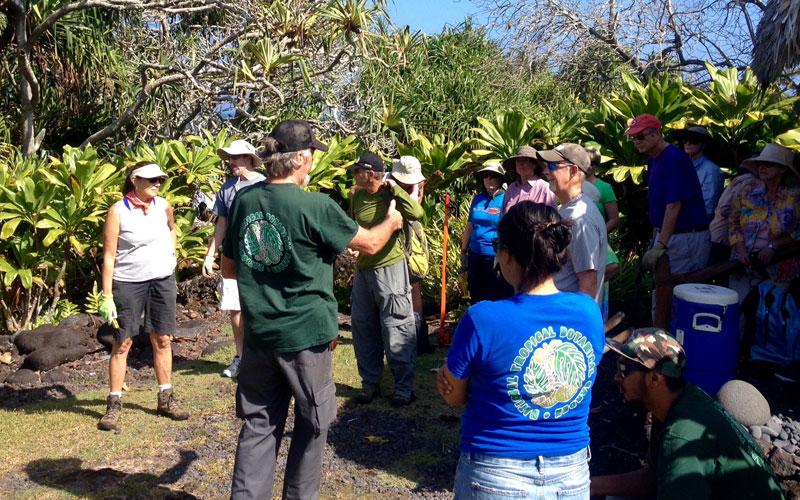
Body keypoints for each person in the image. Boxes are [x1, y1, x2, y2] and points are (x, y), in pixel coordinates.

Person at [221, 120, 404, 499]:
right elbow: (368, 244)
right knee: (314, 421)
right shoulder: (316, 205)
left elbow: (229, 268)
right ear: (301, 159)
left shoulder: (244, 201)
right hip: (305, 336)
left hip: (259, 335)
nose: (312, 164)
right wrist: (392, 220)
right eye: (312, 157)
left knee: (259, 424)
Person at [438, 201, 605, 499]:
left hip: (495, 471)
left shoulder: (483, 319)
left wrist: (453, 381)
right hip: (570, 473)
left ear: (507, 256)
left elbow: (454, 395)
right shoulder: (588, 312)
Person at [591, 329, 784, 500]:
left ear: (654, 378)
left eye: (624, 370)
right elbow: (654, 478)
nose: (616, 377)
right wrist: (592, 486)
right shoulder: (679, 401)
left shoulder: (682, 435)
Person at [97, 162, 189, 431]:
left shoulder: (163, 205)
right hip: (128, 284)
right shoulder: (118, 211)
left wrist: (171, 255)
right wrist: (107, 296)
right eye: (151, 179)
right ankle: (114, 404)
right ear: (134, 180)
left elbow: (172, 228)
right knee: (122, 342)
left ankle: (166, 398)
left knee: (162, 338)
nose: (157, 183)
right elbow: (109, 256)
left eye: (160, 179)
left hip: (161, 281)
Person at [348, 152, 424, 407]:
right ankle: (370, 383)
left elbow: (416, 213)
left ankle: (404, 387)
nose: (354, 175)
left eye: (357, 171)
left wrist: (397, 190)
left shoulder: (389, 193)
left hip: (390, 268)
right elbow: (353, 224)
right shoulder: (357, 196)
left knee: (396, 326)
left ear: (371, 173)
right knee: (363, 325)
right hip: (364, 269)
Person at [202, 139, 266, 379]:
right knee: (235, 309)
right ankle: (241, 357)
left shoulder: (265, 184)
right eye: (229, 157)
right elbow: (222, 223)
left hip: (261, 258)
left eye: (236, 157)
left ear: (249, 159)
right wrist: (211, 255)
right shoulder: (227, 189)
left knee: (261, 307)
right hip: (232, 258)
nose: (231, 162)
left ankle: (262, 358)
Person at [627, 114, 710, 275]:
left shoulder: (674, 159)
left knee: (677, 291)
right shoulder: (654, 160)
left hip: (685, 236)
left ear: (656, 134)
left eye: (640, 136)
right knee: (662, 292)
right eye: (633, 137)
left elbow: (674, 205)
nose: (637, 141)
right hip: (669, 235)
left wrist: (661, 245)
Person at [538, 143, 608, 304]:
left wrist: (578, 326)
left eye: (552, 165)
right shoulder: (568, 209)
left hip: (567, 321)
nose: (545, 171)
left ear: (573, 171)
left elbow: (588, 285)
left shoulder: (580, 219)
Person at [729, 143, 799, 303]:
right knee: (737, 312)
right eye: (760, 164)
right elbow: (733, 223)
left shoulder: (794, 198)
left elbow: (798, 232)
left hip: (779, 267)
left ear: (782, 169)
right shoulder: (746, 190)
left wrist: (774, 246)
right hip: (742, 263)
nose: (762, 168)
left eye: (769, 164)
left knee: (770, 315)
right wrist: (740, 249)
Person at [389, 155, 432, 354]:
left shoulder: (415, 185)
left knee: (414, 284)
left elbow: (416, 209)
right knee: (395, 289)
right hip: (392, 238)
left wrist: (416, 188)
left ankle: (418, 335)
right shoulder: (386, 186)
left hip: (411, 237)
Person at [460, 161, 514, 303]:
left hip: (495, 256)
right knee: (476, 293)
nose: (489, 179)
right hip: (474, 254)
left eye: (493, 176)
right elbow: (470, 226)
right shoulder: (477, 199)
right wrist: (463, 251)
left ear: (500, 179)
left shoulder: (506, 198)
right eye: (486, 176)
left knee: (496, 295)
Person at [585, 147, 620, 320]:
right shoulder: (574, 185)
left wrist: (598, 234)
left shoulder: (604, 188)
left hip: (598, 241)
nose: (588, 166)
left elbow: (614, 218)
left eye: (592, 163)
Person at [707, 158, 759, 265]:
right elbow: (725, 209)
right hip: (724, 233)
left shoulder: (737, 181)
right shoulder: (748, 182)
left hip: (718, 231)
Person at [680, 126, 724, 223]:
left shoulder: (711, 171)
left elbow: (709, 208)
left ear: (703, 145)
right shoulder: (682, 167)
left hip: (698, 229)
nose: (688, 143)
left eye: (693, 140)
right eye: (685, 140)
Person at [501, 145, 556, 214]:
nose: (521, 164)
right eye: (518, 161)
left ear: (534, 165)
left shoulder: (545, 188)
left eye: (525, 160)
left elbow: (552, 217)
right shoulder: (512, 188)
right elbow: (502, 216)